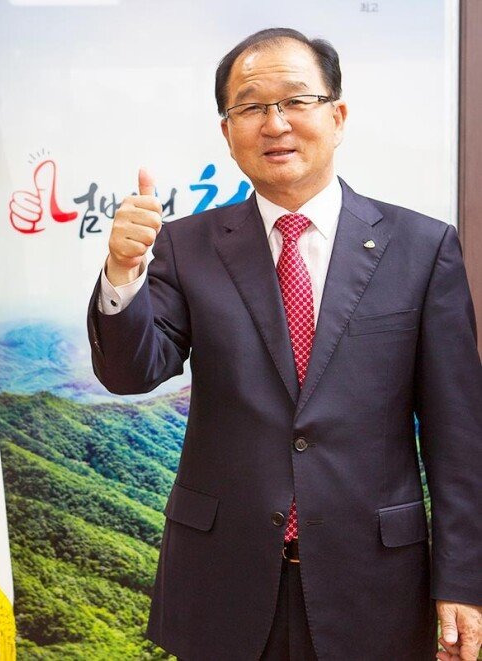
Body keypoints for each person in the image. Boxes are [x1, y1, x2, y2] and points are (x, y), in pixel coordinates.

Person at [86, 28, 482, 660]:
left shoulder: (422, 247)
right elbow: (133, 374)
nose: (275, 124)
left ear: (337, 115)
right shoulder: (187, 246)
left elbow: (457, 434)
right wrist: (123, 272)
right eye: (250, 106)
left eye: (296, 100)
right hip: (223, 581)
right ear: (227, 131)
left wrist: (462, 583)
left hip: (375, 585)